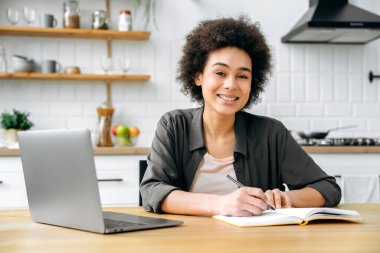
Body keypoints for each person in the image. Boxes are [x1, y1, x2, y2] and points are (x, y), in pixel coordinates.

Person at [140, 16, 341, 217]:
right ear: (198, 76)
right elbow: (152, 190)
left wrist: (284, 198)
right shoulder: (174, 126)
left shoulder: (271, 133)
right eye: (220, 73)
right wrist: (220, 204)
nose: (231, 85)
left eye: (242, 76)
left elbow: (328, 188)